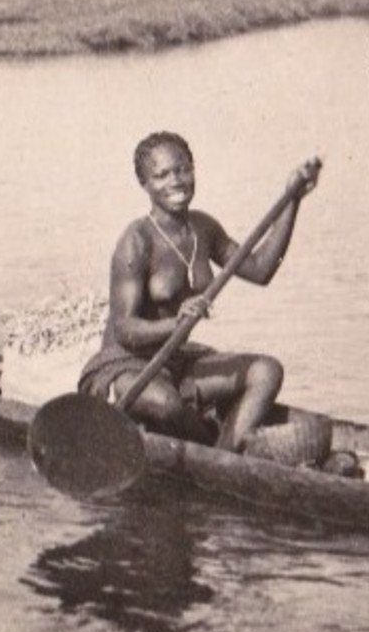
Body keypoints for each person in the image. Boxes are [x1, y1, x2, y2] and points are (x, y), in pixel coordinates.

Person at [77, 131, 322, 453]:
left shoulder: (204, 228)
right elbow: (124, 330)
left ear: (193, 170)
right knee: (166, 404)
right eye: (161, 175)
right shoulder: (136, 240)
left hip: (178, 359)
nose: (176, 181)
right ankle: (215, 450)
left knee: (266, 371)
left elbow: (261, 269)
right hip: (127, 364)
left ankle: (225, 455)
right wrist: (175, 323)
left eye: (182, 170)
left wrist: (293, 201)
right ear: (145, 185)